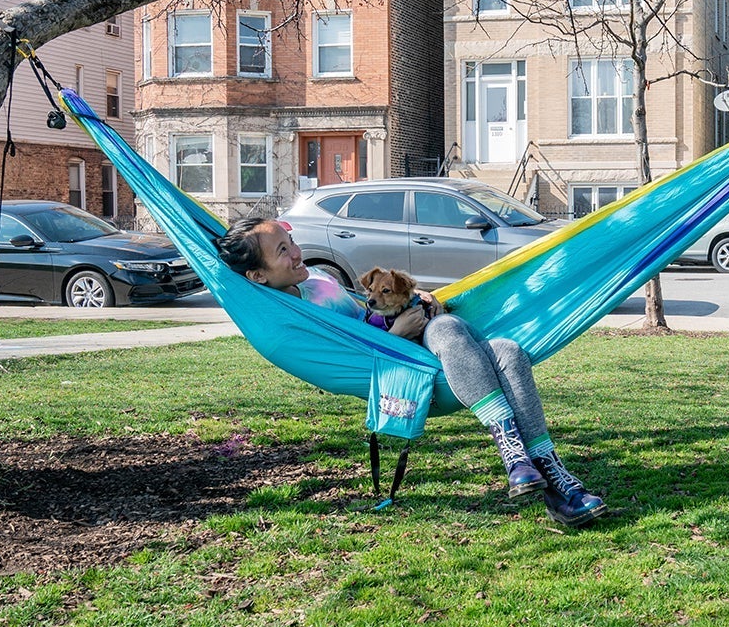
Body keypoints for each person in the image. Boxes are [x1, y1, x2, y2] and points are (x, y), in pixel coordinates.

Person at [214, 217, 606, 527]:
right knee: (505, 351)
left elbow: (364, 306)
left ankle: (522, 461)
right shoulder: (286, 324)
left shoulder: (316, 280)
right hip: (412, 370)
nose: (298, 252)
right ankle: (556, 482)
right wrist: (398, 333)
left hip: (437, 350)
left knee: (468, 333)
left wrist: (412, 301)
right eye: (283, 250)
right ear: (258, 276)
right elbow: (353, 358)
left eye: (291, 240)